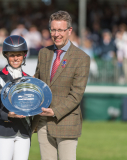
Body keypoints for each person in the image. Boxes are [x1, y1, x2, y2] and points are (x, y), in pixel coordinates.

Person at [32, 10, 90, 160]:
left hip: (67, 122)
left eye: (60, 30)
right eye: (53, 29)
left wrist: (54, 111)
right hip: (43, 121)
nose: (56, 34)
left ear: (69, 31)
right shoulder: (43, 53)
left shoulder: (82, 58)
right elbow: (37, 83)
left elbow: (76, 94)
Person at [0, 35, 32, 160]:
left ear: (24, 55)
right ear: (6, 55)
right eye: (12, 55)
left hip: (23, 132)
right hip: (3, 131)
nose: (16, 58)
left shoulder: (30, 79)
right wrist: (8, 115)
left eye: (19, 54)